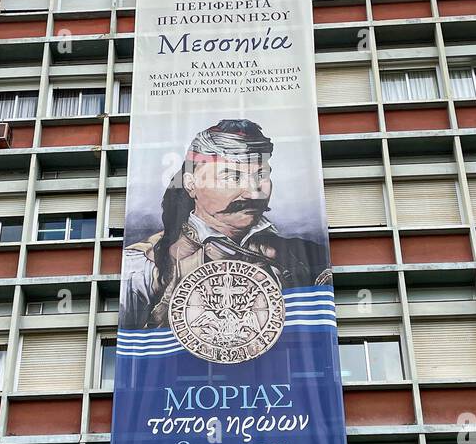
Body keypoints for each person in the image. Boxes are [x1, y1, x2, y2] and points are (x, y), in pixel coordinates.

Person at [120, 119, 330, 329]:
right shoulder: (143, 268)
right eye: (232, 177)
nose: (254, 193)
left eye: (261, 176)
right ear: (191, 184)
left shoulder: (303, 257)